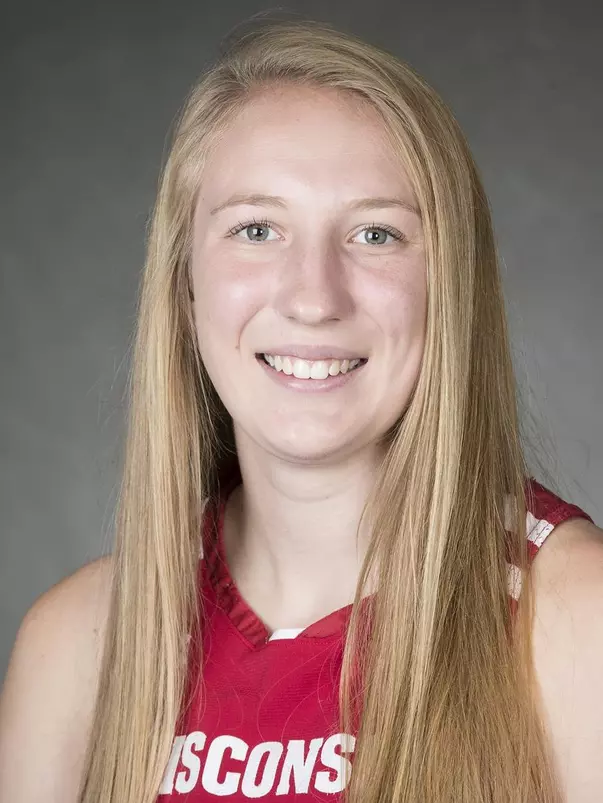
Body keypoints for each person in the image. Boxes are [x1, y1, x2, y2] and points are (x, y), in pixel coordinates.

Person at [0, 16, 601, 803]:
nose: (313, 297)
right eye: (256, 229)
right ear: (184, 287)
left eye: (376, 234)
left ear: (448, 289)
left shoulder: (571, 618)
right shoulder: (77, 643)